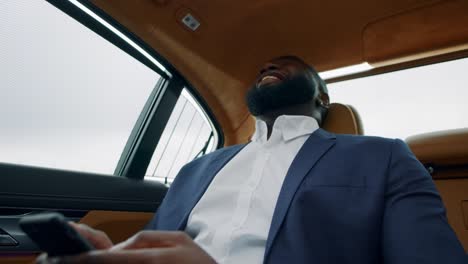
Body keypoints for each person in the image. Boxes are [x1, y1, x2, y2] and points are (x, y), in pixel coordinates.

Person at [38, 56, 467, 263]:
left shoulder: (382, 155)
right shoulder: (197, 170)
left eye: (290, 66)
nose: (269, 65)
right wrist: (113, 256)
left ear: (322, 96)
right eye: (264, 66)